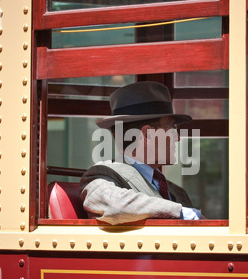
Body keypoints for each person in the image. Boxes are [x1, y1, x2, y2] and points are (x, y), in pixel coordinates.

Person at [80, 81, 203, 225]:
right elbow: (113, 204)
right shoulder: (102, 175)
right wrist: (181, 212)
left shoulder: (177, 191)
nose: (177, 137)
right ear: (147, 134)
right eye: (172, 127)